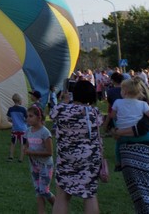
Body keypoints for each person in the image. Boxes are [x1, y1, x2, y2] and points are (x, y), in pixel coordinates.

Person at [50, 80, 103, 214]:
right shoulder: (95, 112)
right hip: (90, 159)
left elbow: (52, 115)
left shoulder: (61, 109)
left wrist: (65, 100)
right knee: (90, 195)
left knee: (62, 196)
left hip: (66, 159)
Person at [23, 105, 55, 213]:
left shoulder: (45, 133)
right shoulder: (28, 131)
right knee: (38, 191)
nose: (28, 118)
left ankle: (58, 207)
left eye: (31, 116)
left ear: (39, 118)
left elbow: (50, 152)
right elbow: (27, 145)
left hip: (45, 166)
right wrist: (25, 149)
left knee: (44, 190)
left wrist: (32, 152)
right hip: (34, 165)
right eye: (27, 116)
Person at [6, 93, 28, 162]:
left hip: (14, 129)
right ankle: (20, 159)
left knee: (13, 143)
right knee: (22, 144)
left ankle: (11, 157)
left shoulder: (10, 109)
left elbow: (9, 119)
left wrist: (14, 121)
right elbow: (27, 119)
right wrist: (24, 121)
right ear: (19, 100)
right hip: (23, 129)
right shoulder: (23, 109)